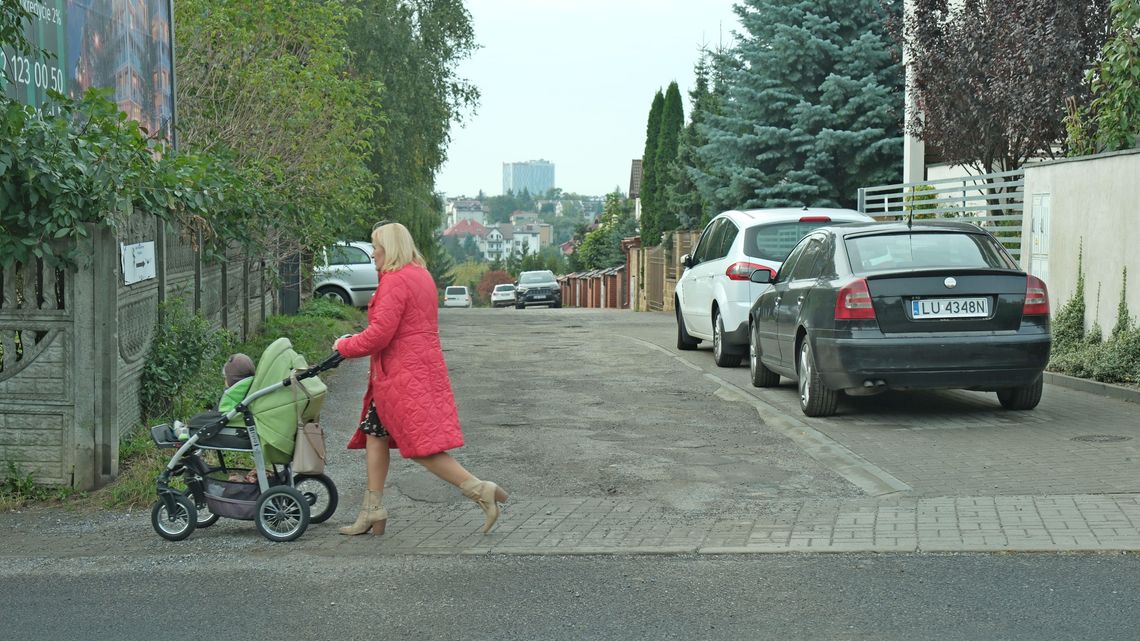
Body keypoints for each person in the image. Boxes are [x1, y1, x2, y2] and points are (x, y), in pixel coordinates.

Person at [333, 222, 508, 536]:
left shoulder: (395, 282)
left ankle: (478, 489)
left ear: (390, 248)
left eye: (376, 247)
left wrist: (344, 345)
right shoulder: (421, 276)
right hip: (416, 370)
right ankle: (373, 509)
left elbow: (379, 335)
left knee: (421, 447)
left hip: (402, 376)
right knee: (375, 433)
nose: (373, 254)